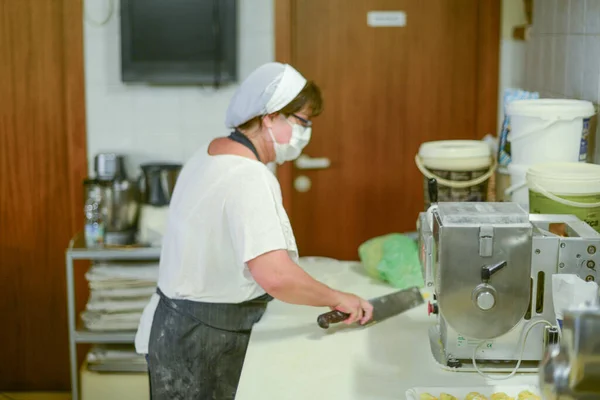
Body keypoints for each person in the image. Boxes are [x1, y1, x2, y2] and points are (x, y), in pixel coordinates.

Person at [134, 62, 373, 400]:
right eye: (302, 121)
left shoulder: (208, 153)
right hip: (205, 341)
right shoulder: (249, 176)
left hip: (175, 328)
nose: (306, 132)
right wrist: (339, 298)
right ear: (269, 117)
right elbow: (276, 276)